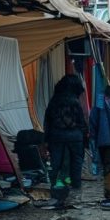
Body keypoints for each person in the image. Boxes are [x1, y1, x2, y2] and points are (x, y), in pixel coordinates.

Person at [44, 74, 89, 202]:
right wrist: (85, 138)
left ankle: (55, 187)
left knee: (55, 162)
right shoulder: (75, 101)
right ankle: (75, 188)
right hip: (75, 136)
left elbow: (48, 121)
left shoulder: (55, 100)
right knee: (77, 162)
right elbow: (82, 121)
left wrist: (46, 140)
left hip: (56, 135)